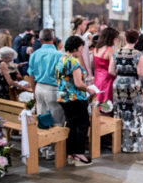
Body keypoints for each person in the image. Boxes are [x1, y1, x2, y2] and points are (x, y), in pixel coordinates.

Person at [56, 35, 97, 166]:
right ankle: (78, 154)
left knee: (71, 125)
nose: (81, 50)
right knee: (82, 125)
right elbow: (78, 83)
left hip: (63, 97)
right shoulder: (73, 61)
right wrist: (89, 89)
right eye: (81, 48)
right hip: (74, 98)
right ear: (76, 47)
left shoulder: (61, 59)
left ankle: (70, 153)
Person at [27, 29, 65, 158]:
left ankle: (43, 148)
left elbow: (30, 75)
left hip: (39, 87)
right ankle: (53, 151)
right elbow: (63, 75)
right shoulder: (58, 54)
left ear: (40, 39)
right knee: (56, 119)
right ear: (53, 39)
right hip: (53, 88)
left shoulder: (35, 54)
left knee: (42, 118)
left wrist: (34, 91)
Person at [109, 29, 143, 153]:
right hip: (132, 84)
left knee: (120, 112)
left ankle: (119, 143)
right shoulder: (138, 54)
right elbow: (140, 73)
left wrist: (121, 75)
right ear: (136, 40)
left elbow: (111, 71)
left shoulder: (116, 52)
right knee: (134, 113)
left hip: (119, 83)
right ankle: (133, 146)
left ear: (125, 39)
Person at [93, 27, 119, 104]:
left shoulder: (96, 49)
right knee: (107, 104)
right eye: (116, 38)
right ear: (111, 38)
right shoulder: (110, 50)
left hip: (97, 78)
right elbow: (111, 70)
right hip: (107, 80)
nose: (117, 40)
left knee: (98, 103)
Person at [82, 21, 98, 85]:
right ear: (90, 27)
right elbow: (94, 43)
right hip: (89, 54)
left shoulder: (84, 34)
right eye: (95, 28)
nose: (96, 30)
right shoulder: (89, 35)